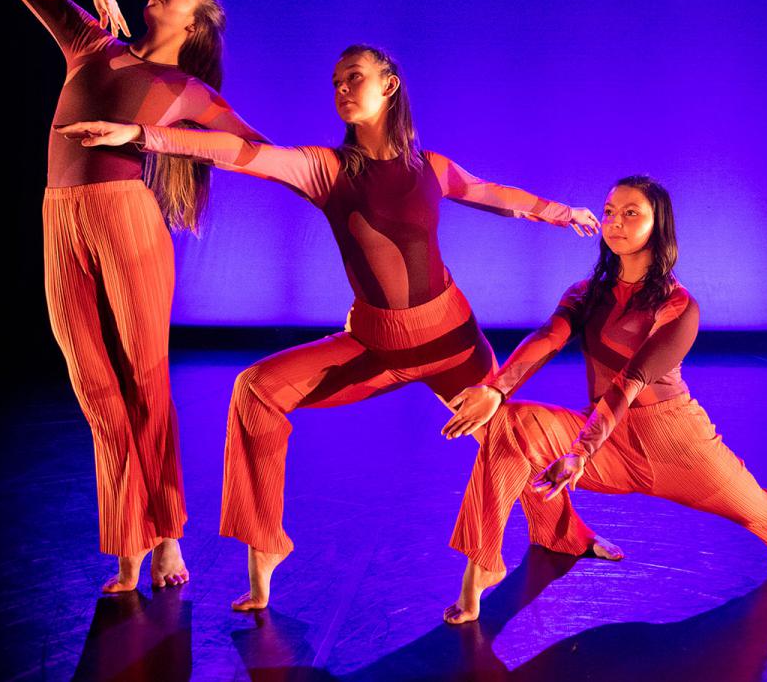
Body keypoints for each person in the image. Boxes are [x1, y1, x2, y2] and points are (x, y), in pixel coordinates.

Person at [57, 44, 618, 611]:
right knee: (255, 390)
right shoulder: (325, 168)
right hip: (374, 346)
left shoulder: (432, 168)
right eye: (335, 83)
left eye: (354, 78)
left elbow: (497, 196)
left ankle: (562, 531)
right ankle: (265, 544)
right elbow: (235, 151)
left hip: (452, 343)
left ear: (390, 85)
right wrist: (141, 136)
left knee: (508, 434)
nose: (342, 90)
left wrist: (560, 211)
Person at [440, 175, 767, 624]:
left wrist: (580, 451)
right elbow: (547, 338)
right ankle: (489, 564)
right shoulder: (584, 293)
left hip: (678, 444)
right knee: (509, 426)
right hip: (608, 437)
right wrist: (496, 389)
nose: (614, 222)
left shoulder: (679, 305)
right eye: (609, 212)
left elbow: (632, 379)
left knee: (760, 510)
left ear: (658, 226)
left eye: (631, 213)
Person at [0, 0, 264, 593]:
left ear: (195, 27)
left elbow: (250, 149)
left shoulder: (188, 92)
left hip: (128, 217)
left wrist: (151, 140)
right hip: (58, 217)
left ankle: (165, 538)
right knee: (94, 386)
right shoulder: (92, 43)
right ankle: (129, 539)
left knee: (144, 381)